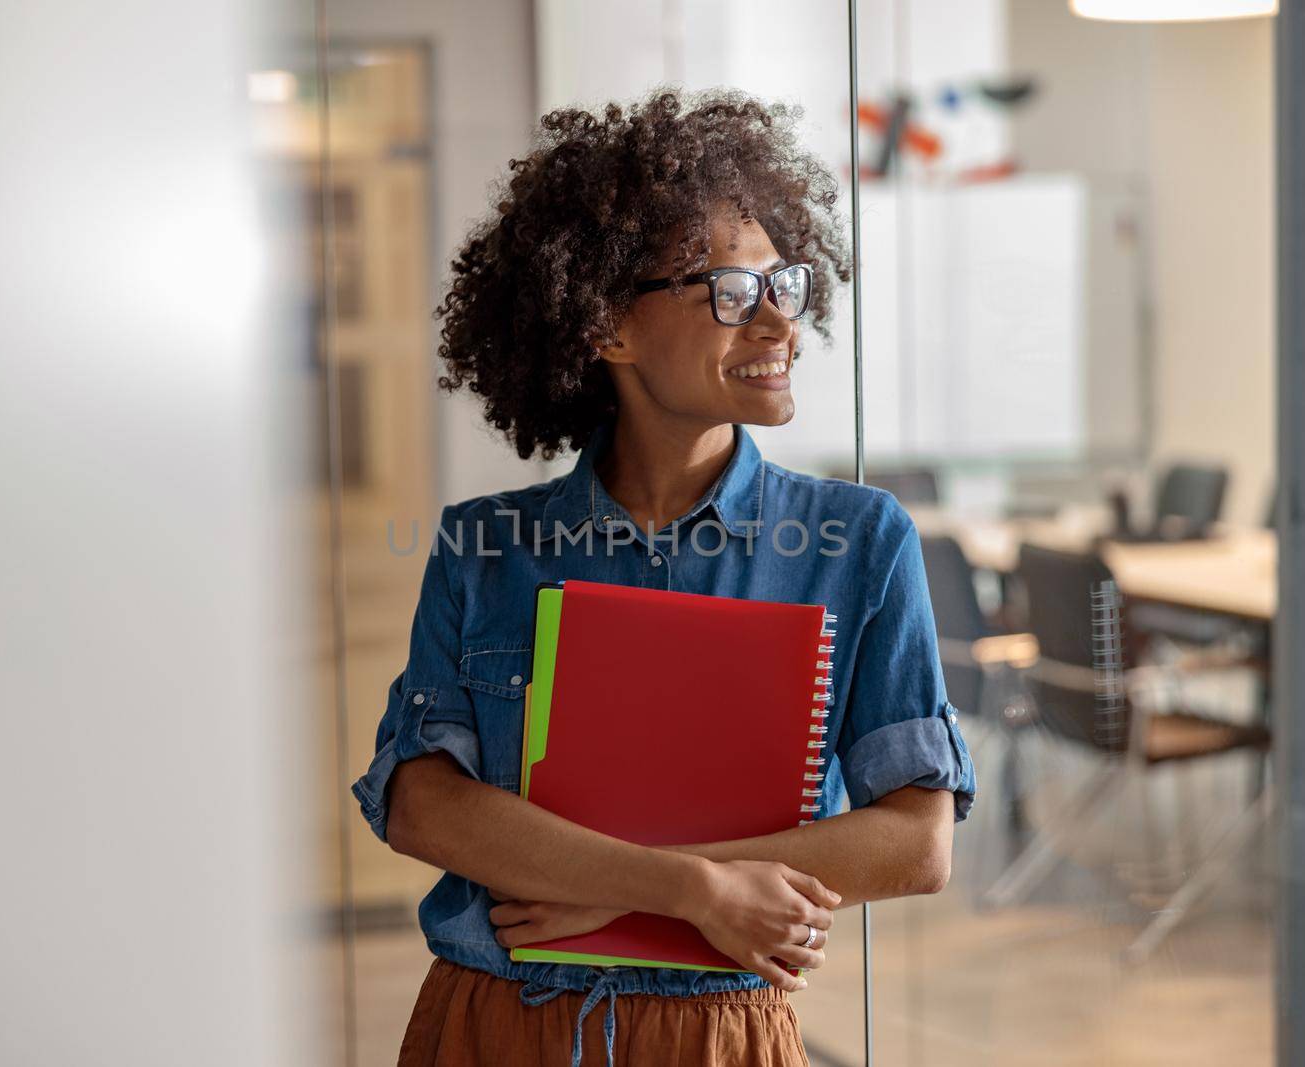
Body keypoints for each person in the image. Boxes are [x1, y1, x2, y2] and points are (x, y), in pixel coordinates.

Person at [351, 87, 976, 1067]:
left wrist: (636, 884)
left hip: (716, 1033)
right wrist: (690, 889)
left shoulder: (857, 539)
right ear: (608, 325)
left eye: (785, 284)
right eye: (731, 291)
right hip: (494, 1023)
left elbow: (914, 840)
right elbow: (423, 802)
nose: (778, 324)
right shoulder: (488, 544)